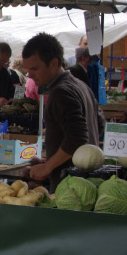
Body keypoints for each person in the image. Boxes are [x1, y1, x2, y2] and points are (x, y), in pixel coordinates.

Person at [23, 33, 104, 192]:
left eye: (35, 68)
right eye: (27, 69)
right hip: (86, 180)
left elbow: (78, 136)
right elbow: (99, 124)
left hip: (70, 186)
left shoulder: (61, 91)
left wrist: (49, 166)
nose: (30, 75)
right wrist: (56, 157)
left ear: (54, 63)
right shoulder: (80, 84)